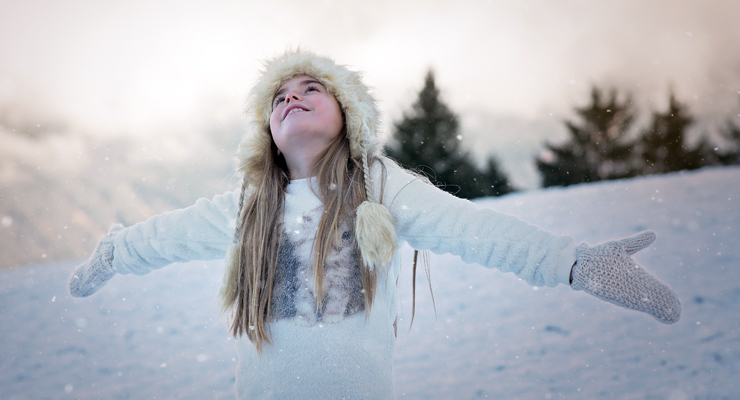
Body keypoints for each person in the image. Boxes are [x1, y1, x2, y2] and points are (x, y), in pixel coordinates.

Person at [68, 49, 681, 399]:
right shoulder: (250, 206)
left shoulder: (380, 185)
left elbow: (473, 229)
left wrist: (574, 262)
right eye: (279, 97)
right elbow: (167, 236)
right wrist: (117, 250)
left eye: (312, 88)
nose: (292, 97)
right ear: (268, 133)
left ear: (348, 115)